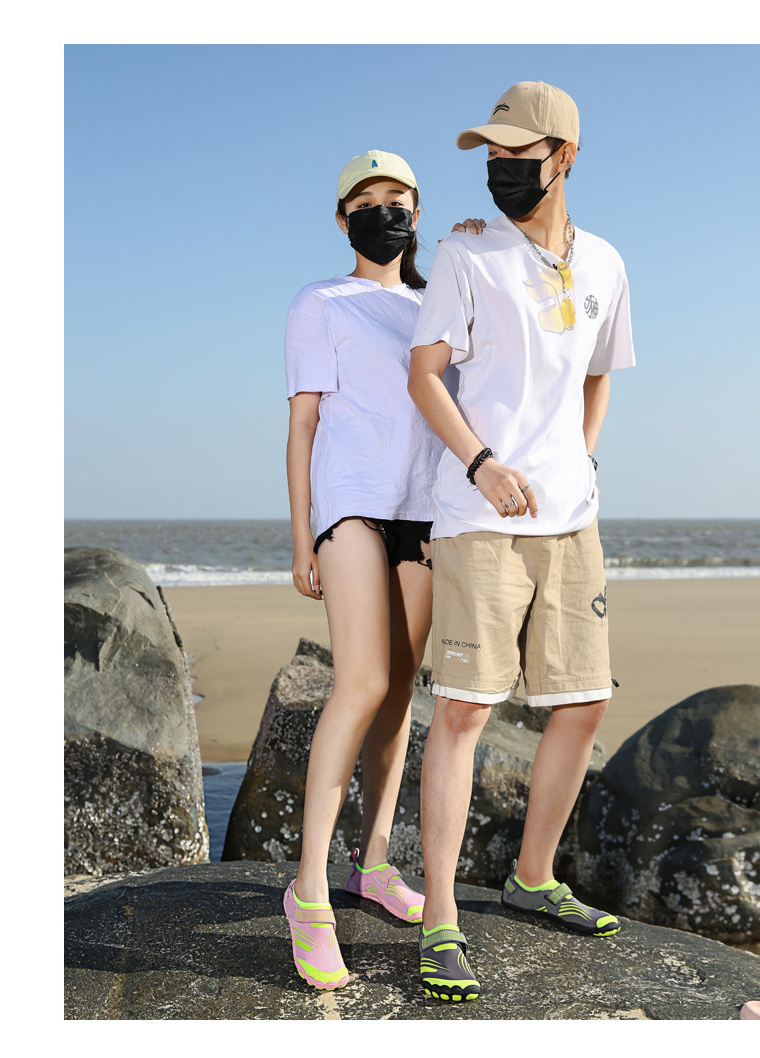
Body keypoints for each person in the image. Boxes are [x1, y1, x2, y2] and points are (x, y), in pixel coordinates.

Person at [408, 81, 636, 1002]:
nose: (500, 168)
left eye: (518, 154)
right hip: (479, 518)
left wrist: (582, 458)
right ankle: (440, 917)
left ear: (565, 157)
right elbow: (426, 375)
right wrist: (481, 464)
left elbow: (600, 374)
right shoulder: (465, 254)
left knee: (582, 704)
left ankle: (532, 877)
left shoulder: (608, 262)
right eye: (492, 156)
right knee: (465, 711)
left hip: (571, 518)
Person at [283, 149, 478, 991]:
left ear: (417, 212)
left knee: (400, 691)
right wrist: (302, 538)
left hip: (427, 510)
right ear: (342, 220)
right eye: (365, 201)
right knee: (360, 683)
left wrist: (481, 249)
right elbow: (302, 426)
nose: (383, 210)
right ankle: (308, 891)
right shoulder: (321, 302)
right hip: (353, 504)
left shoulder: (437, 308)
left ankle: (372, 865)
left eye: (397, 197)